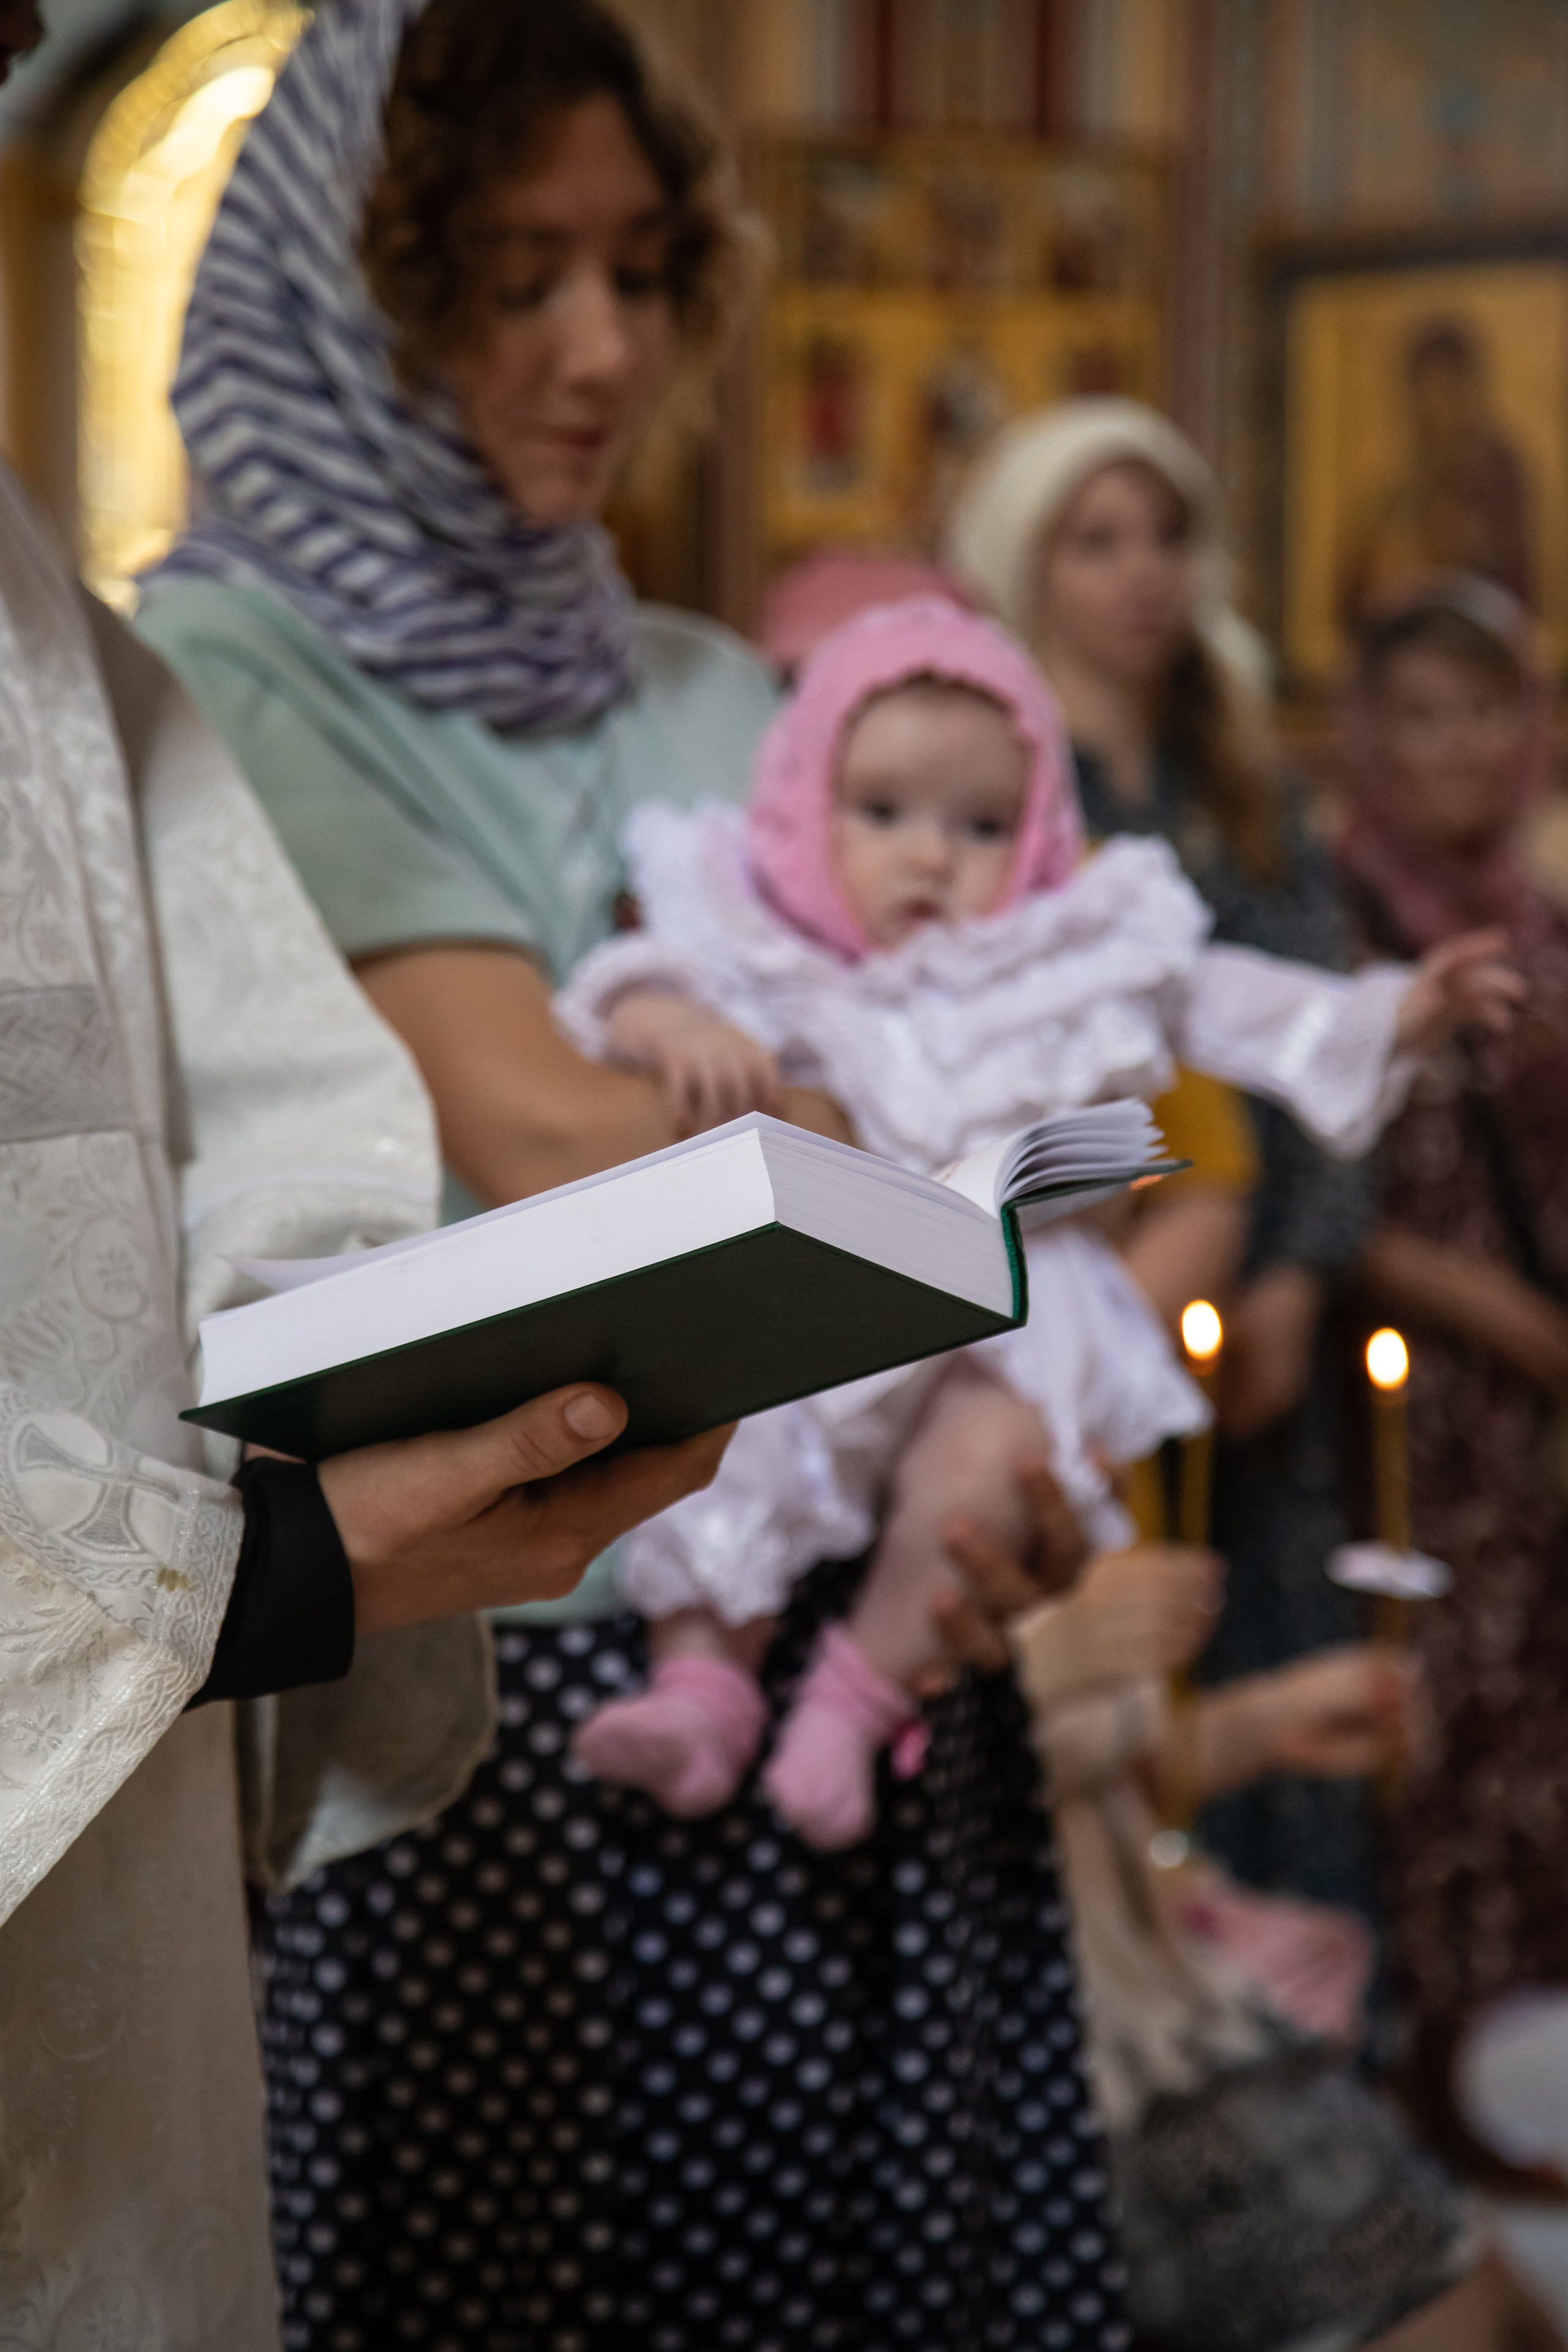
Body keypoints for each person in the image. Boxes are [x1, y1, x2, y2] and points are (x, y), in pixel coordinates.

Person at [136, 8, 1133, 2342]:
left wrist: (1021, 1431)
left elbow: (1009, 1110)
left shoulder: (717, 688)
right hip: (510, 1662)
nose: (602, 347)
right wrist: (960, 1186)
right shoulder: (227, 666)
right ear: (356, 306)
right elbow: (535, 1126)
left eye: (641, 269)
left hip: (855, 1657)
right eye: (511, 277)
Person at [0, 257, 726, 2352]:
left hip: (115, 1896)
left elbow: (261, 1088)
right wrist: (272, 1568)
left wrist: (370, 1381)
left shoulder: (28, 577)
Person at [556, 593, 1516, 1850]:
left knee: (990, 1481)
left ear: (1041, 836)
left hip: (1005, 1302)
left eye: (982, 826)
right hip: (818, 1294)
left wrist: (1382, 1014)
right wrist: (675, 1029)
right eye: (881, 812)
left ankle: (852, 1698)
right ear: (801, 808)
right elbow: (630, 981)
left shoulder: (1071, 945)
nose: (929, 856)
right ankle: (701, 1683)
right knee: (729, 1442)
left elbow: (1220, 996)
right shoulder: (760, 931)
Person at [947, 396, 1389, 1921]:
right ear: (1026, 565)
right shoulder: (996, 784)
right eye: (1095, 540)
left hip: (1256, 1300)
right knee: (1106, 1658)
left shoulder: (1242, 782)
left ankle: (1274, 2019)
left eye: (1165, 537)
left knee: (1263, 1622)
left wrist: (1293, 1281)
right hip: (1075, 1294)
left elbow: (1324, 1043)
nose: (1140, 574)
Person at [933, 1504, 1568, 2352]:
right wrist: (1046, 1663)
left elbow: (1089, 1786)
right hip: (1040, 2060)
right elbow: (846, 1796)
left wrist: (1268, 1719)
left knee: (1510, 2312)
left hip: (1168, 2001)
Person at [1336, 579, 1568, 2168]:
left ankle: (1523, 2081)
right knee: (1427, 1723)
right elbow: (1326, 1193)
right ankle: (1421, 2094)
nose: (1456, 746)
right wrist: (1503, 1317)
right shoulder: (1331, 915)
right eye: (1417, 711)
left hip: (1543, 1412)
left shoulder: (1539, 914)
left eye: (1484, 709)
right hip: (1410, 1400)